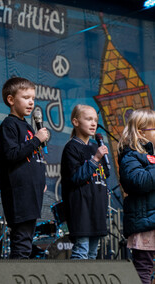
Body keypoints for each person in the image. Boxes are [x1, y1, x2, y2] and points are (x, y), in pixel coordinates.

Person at [0, 76, 48, 259]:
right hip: (19, 194)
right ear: (11, 100)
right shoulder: (9, 125)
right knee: (21, 244)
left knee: (26, 242)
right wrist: (36, 140)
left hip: (31, 192)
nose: (31, 102)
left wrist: (41, 178)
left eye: (33, 98)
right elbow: (11, 154)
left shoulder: (27, 126)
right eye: (26, 97)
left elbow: (33, 156)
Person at [60, 104, 110, 259]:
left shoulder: (96, 146)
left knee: (93, 253)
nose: (93, 123)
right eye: (88, 119)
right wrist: (95, 159)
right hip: (81, 209)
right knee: (82, 250)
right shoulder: (72, 148)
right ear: (75, 122)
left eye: (95, 119)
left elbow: (104, 174)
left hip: (97, 208)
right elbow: (75, 178)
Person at [117, 109, 155, 284]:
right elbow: (139, 181)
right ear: (141, 133)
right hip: (145, 222)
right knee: (143, 269)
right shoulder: (130, 155)